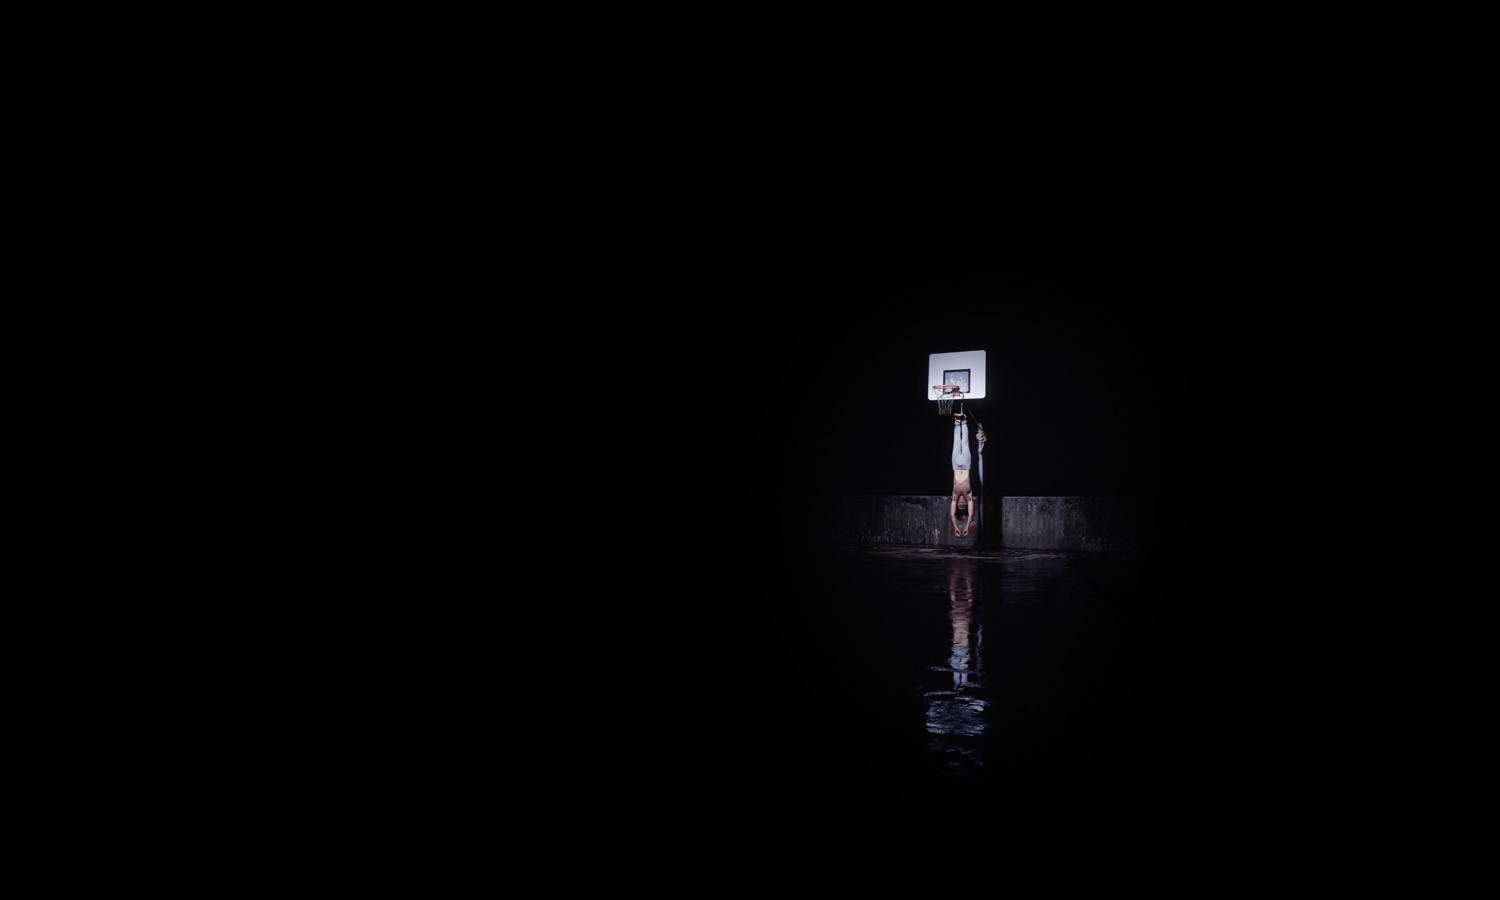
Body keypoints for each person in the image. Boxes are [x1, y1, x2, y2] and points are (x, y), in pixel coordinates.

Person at [950, 411, 977, 537]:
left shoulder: (955, 496)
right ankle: (964, 420)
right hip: (966, 465)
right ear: (966, 504)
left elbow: (952, 514)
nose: (960, 504)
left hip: (955, 465)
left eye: (958, 506)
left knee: (956, 442)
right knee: (964, 442)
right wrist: (967, 527)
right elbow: (970, 514)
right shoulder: (969, 495)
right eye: (963, 506)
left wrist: (956, 528)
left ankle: (957, 422)